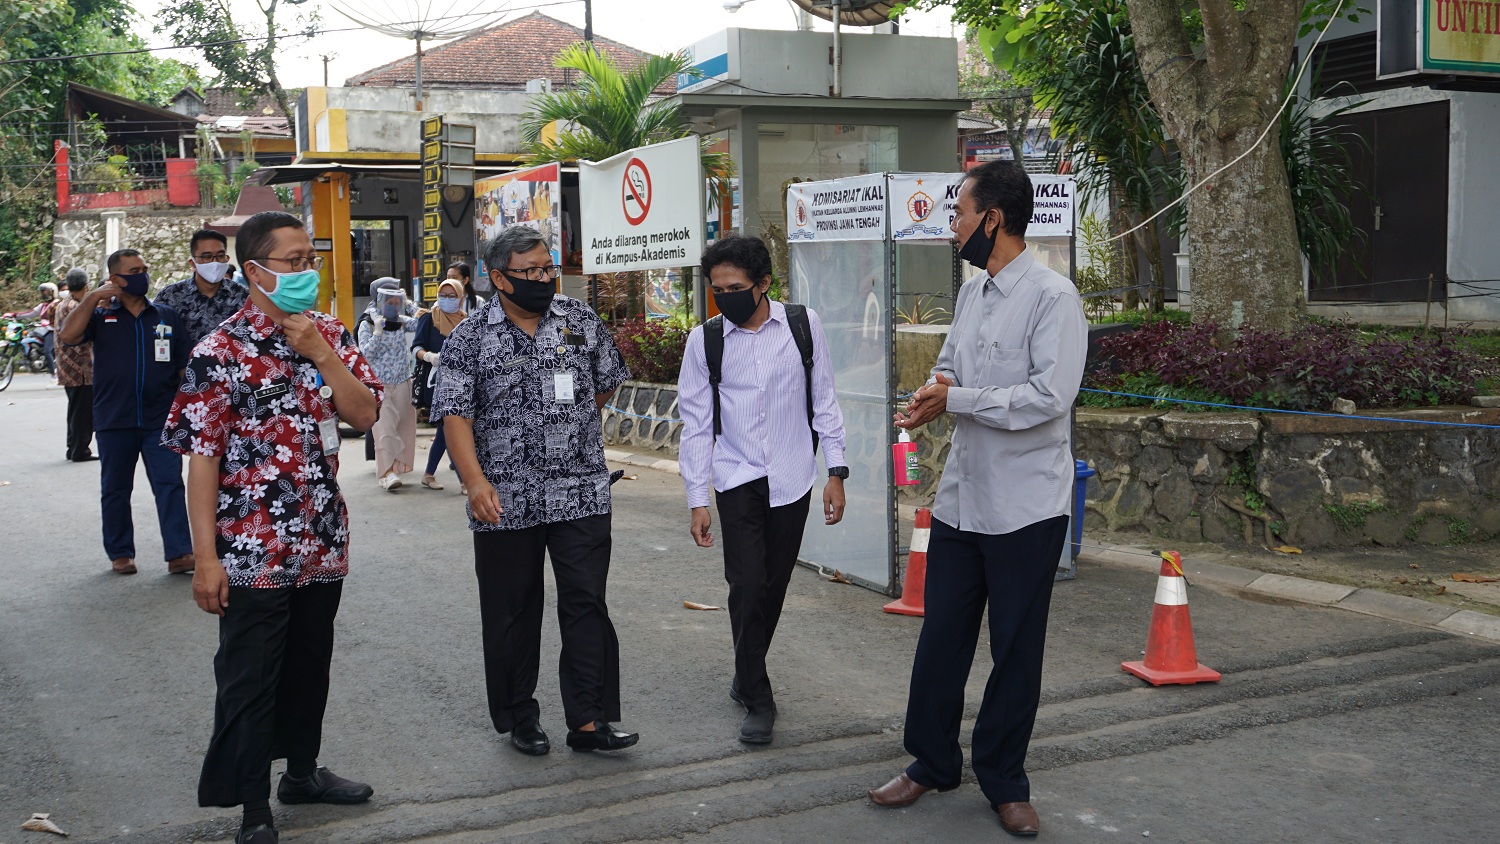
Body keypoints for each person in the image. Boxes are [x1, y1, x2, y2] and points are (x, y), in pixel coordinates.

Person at [866, 160, 1087, 838]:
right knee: (941, 637)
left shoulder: (1054, 297)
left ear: (993, 218)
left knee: (1015, 648)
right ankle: (931, 761)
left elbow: (1052, 399)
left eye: (959, 212)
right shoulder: (972, 293)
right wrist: (934, 398)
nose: (952, 224)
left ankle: (1005, 780)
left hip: (1027, 505)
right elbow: (953, 368)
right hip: (963, 497)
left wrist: (957, 398)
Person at [162, 210, 382, 844]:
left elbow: (365, 415)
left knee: (310, 663)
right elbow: (200, 463)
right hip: (251, 546)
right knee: (250, 675)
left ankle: (303, 774)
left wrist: (321, 353)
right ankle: (253, 806)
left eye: (311, 260)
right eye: (293, 262)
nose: (306, 272)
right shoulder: (219, 352)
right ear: (254, 269)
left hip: (319, 538)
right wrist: (206, 558)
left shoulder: (331, 333)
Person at [433, 226, 635, 757]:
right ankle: (520, 715)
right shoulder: (470, 337)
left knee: (586, 603)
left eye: (550, 269)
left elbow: (606, 380)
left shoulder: (578, 319)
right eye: (533, 271)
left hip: (580, 492)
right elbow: (455, 415)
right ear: (499, 279)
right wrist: (474, 481)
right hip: (504, 499)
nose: (546, 278)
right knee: (511, 610)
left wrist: (574, 430)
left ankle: (589, 721)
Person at [675, 235, 848, 744]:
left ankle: (743, 670)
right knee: (747, 584)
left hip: (793, 475)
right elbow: (697, 424)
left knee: (772, 587)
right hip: (737, 475)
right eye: (716, 289)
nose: (725, 297)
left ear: (764, 283)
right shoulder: (705, 341)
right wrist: (697, 498)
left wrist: (836, 472)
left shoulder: (801, 326)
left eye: (735, 287)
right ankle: (759, 696)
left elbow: (825, 403)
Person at [57, 249, 193, 576]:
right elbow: (68, 336)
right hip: (113, 418)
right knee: (116, 489)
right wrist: (91, 298)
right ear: (116, 279)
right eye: (134, 270)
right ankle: (120, 553)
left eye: (144, 268)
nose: (142, 275)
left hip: (159, 419)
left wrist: (185, 410)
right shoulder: (101, 316)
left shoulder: (165, 315)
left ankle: (179, 553)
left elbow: (184, 366)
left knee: (169, 484)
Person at [356, 279, 417, 491]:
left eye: (396, 301)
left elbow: (422, 322)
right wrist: (378, 333)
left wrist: (409, 305)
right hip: (378, 385)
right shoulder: (368, 323)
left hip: (401, 380)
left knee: (402, 427)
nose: (392, 305)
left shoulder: (400, 320)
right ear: (378, 300)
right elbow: (366, 354)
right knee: (384, 429)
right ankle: (386, 473)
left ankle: (396, 465)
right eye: (388, 301)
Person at [411, 278, 466, 492]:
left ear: (460, 299)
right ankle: (464, 480)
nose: (446, 300)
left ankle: (428, 474)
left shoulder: (465, 321)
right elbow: (415, 348)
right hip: (435, 382)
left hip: (458, 382)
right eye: (442, 296)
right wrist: (430, 357)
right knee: (450, 426)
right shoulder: (428, 318)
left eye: (452, 296)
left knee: (447, 429)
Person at [155, 229, 249, 352]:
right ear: (193, 263)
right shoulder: (170, 296)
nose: (215, 262)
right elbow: (158, 339)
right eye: (207, 257)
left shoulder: (243, 296)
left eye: (220, 256)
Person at [54, 269, 96, 462]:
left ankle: (73, 447)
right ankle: (80, 450)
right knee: (83, 412)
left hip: (67, 365)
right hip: (80, 367)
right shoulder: (77, 307)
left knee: (75, 409)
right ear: (86, 286)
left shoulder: (64, 303)